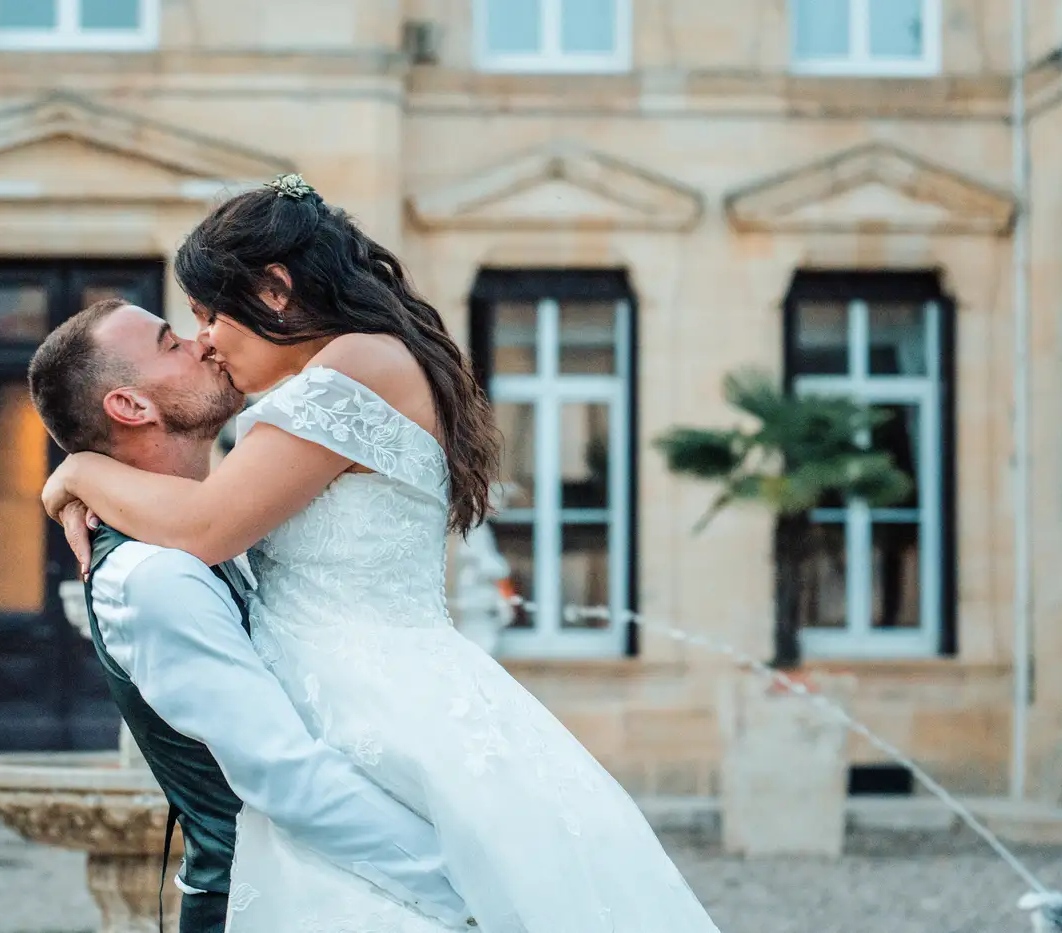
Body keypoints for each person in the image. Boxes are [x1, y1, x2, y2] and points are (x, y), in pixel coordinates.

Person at [41, 175, 723, 933]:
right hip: (385, 695)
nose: (205, 339)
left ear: (274, 291)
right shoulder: (358, 368)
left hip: (375, 699)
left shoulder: (351, 369)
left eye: (207, 315)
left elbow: (205, 526)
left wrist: (77, 471)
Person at [26, 298, 475, 933]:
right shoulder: (155, 577)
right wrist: (470, 892)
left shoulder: (216, 528)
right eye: (170, 343)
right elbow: (284, 777)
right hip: (258, 907)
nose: (202, 343)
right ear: (130, 407)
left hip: (342, 893)